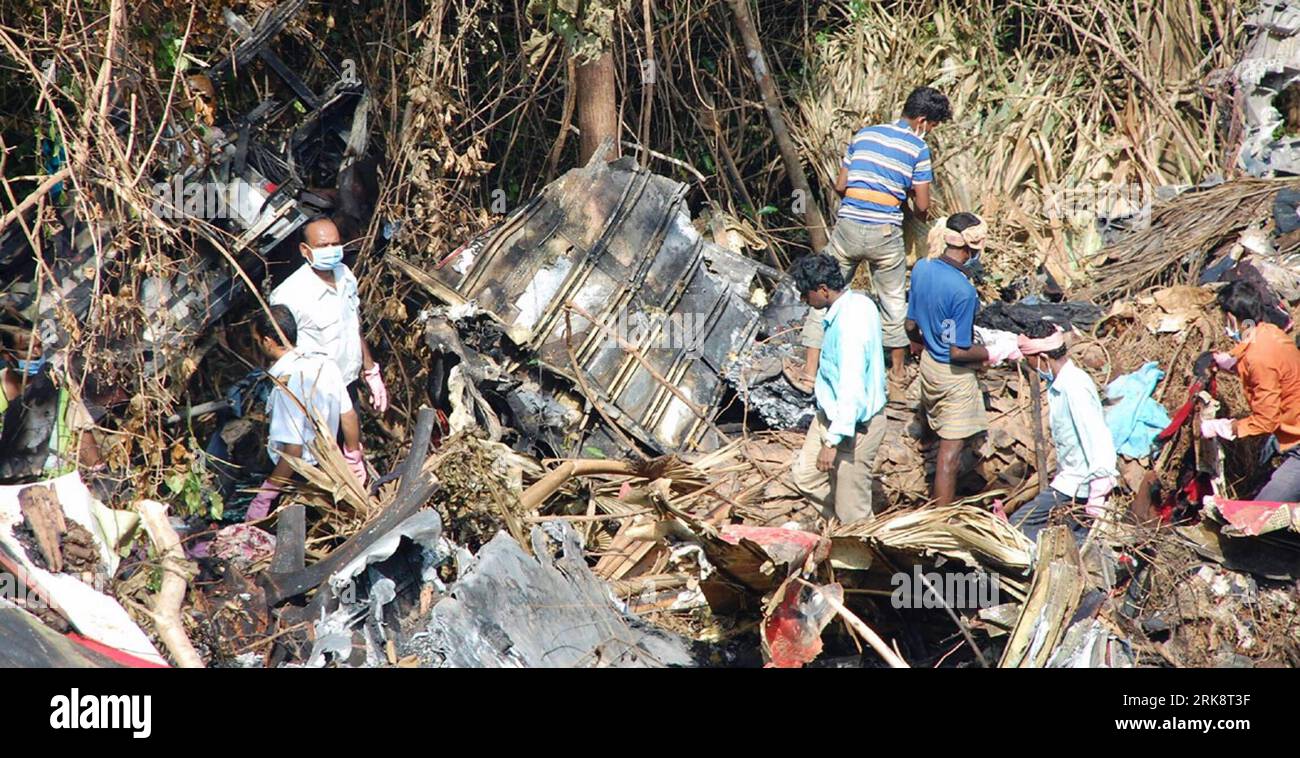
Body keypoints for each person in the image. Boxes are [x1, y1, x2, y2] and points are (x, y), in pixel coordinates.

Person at [785, 86, 951, 394]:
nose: (930, 132)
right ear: (922, 120)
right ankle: (898, 377)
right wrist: (907, 205)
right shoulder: (917, 148)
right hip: (885, 235)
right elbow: (924, 207)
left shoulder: (864, 135)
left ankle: (809, 374)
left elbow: (840, 185)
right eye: (932, 126)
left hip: (847, 229)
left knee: (822, 297)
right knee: (892, 305)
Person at [905, 212, 1011, 506]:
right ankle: (942, 524)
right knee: (949, 458)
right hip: (953, 377)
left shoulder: (922, 269)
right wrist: (996, 351)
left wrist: (924, 340)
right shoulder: (963, 290)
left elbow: (911, 325)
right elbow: (957, 350)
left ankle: (926, 443)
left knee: (935, 429)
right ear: (972, 247)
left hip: (928, 366)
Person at [788, 255, 889, 524]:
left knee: (853, 514)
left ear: (822, 290)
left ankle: (861, 544)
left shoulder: (848, 328)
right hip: (829, 413)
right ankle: (843, 521)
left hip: (855, 424)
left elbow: (852, 388)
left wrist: (832, 442)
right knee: (806, 476)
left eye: (805, 293)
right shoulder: (861, 302)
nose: (803, 300)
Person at [246, 305, 367, 522]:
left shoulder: (286, 384)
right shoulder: (323, 363)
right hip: (330, 465)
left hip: (298, 478)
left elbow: (293, 452)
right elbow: (348, 416)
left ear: (268, 341)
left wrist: (266, 495)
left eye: (257, 340)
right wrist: (353, 456)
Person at [1012, 321, 1118, 544]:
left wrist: (1100, 482)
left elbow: (1095, 433)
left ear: (1042, 357)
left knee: (1019, 526)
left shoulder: (1074, 386)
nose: (1030, 366)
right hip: (1068, 481)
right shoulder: (1059, 385)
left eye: (1030, 360)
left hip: (1079, 484)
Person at [270, 216, 388, 413]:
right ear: (305, 250)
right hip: (316, 395)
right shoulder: (289, 295)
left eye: (336, 244)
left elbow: (353, 326)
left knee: (352, 438)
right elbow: (283, 351)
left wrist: (370, 371)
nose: (332, 250)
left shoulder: (345, 275)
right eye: (323, 245)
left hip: (348, 384)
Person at [1199, 280, 1300, 502]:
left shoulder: (1259, 357)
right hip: (1292, 424)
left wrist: (1226, 427)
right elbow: (1261, 364)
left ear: (1232, 318)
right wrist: (1230, 362)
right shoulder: (1269, 332)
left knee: (1258, 513)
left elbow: (1266, 421)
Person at [0, 324, 101, 481]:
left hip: (58, 479)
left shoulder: (56, 381)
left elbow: (80, 429)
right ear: (7, 355)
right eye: (27, 348)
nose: (37, 354)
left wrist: (99, 473)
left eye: (39, 346)